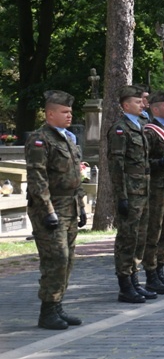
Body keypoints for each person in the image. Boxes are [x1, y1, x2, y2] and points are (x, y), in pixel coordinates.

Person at [25, 90, 86, 329]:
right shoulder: (40, 139)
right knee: (56, 258)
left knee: (68, 259)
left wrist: (81, 207)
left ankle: (57, 306)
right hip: (51, 207)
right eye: (64, 112)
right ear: (50, 114)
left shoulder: (68, 139)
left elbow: (75, 178)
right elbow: (37, 179)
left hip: (69, 206)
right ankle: (47, 310)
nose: (69, 115)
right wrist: (47, 211)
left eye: (70, 111)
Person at [107, 85, 156, 303]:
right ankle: (125, 284)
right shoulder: (120, 129)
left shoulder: (143, 126)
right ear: (126, 105)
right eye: (137, 102)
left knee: (140, 238)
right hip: (130, 190)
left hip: (144, 190)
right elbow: (116, 165)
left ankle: (135, 281)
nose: (142, 104)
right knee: (127, 238)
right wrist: (122, 196)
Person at [142, 91, 164, 294]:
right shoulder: (150, 131)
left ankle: (161, 271)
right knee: (154, 232)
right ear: (155, 109)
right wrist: (161, 162)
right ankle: (151, 274)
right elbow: (143, 162)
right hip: (156, 187)